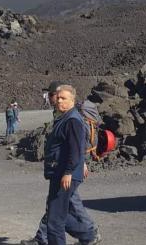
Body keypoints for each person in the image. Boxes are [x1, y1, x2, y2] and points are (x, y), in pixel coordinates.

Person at [22, 84, 99, 245]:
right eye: (57, 98)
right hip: (59, 172)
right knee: (56, 215)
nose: (58, 101)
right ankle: (88, 234)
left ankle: (88, 234)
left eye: (63, 98)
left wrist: (69, 172)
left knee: (55, 220)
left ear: (72, 100)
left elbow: (76, 149)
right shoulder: (64, 118)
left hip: (66, 174)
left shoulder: (73, 120)